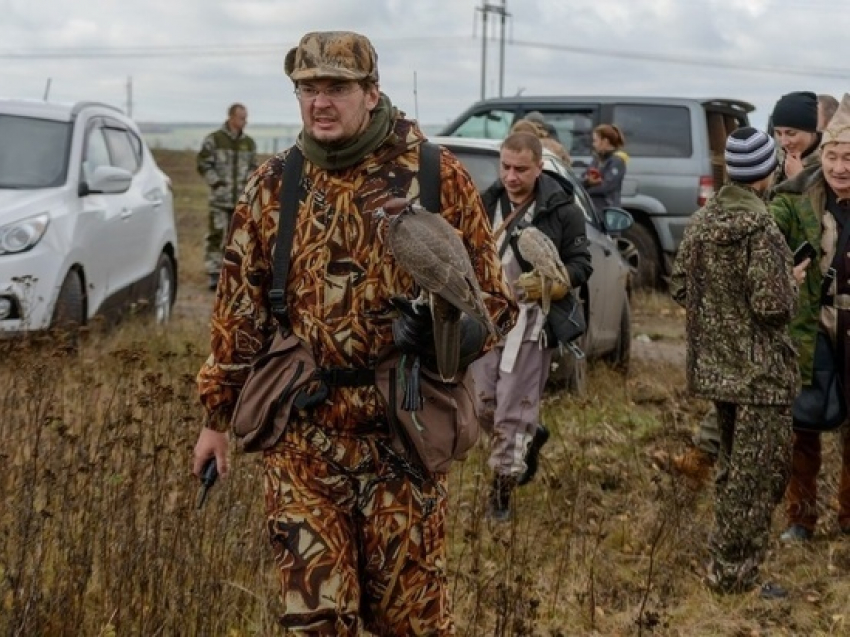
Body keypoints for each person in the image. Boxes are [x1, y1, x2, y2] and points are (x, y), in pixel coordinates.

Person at [192, 31, 516, 634]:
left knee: (409, 623)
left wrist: (450, 334)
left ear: (371, 93)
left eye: (336, 88)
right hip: (304, 436)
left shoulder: (434, 174)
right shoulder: (273, 185)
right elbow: (237, 315)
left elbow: (494, 303)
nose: (320, 102)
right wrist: (216, 421)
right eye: (307, 89)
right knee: (317, 622)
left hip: (403, 436)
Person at [671, 126, 799, 597]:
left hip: (716, 372)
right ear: (766, 172)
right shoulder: (762, 229)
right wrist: (793, 282)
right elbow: (773, 307)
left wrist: (720, 314)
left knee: (732, 470)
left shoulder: (704, 222)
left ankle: (725, 562)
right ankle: (733, 577)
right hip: (761, 376)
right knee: (755, 477)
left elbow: (681, 286)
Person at [473, 131, 592, 521]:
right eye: (505, 167)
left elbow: (581, 264)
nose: (511, 176)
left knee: (511, 410)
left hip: (531, 324)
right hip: (487, 321)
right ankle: (532, 434)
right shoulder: (485, 202)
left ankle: (501, 495)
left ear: (539, 167)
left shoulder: (563, 209)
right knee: (481, 405)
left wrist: (554, 283)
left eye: (520, 169)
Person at [772, 93, 850, 543]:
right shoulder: (798, 197)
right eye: (834, 157)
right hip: (811, 324)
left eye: (848, 158)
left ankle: (848, 514)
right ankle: (800, 518)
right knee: (803, 424)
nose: (840, 167)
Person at [196, 102, 258, 290]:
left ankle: (233, 273)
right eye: (242, 118)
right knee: (216, 235)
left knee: (238, 237)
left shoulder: (249, 143)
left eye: (246, 118)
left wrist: (248, 186)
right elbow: (204, 164)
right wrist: (216, 183)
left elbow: (254, 168)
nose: (245, 122)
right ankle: (214, 273)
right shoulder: (214, 140)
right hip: (220, 199)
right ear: (231, 117)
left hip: (241, 200)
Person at [771, 91, 821, 185]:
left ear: (812, 131)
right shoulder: (774, 159)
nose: (784, 142)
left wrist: (799, 180)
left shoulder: (830, 162)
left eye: (791, 133)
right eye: (778, 133)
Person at [584, 124, 628, 213]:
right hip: (594, 209)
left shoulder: (617, 161)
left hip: (608, 210)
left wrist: (583, 191)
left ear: (605, 141)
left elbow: (606, 186)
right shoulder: (597, 159)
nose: (593, 145)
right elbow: (585, 176)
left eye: (595, 141)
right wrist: (586, 182)